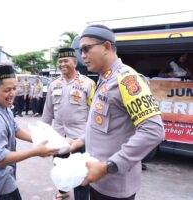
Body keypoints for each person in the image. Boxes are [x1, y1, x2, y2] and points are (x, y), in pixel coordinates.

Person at [67, 25, 165, 200]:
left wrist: (109, 166)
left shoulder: (127, 79)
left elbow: (153, 131)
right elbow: (101, 123)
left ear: (106, 47)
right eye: (80, 50)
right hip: (98, 180)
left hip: (115, 185)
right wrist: (79, 141)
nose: (82, 56)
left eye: (86, 49)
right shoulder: (104, 78)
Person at [0, 64, 58, 200]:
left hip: (0, 176)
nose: (12, 94)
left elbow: (15, 128)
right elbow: (0, 159)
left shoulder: (1, 104)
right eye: (7, 90)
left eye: (14, 88)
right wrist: (36, 152)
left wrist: (38, 140)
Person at [42, 48, 95, 200]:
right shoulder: (54, 84)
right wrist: (44, 135)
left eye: (66, 61)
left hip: (79, 136)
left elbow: (94, 114)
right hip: (58, 135)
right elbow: (48, 112)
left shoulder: (87, 84)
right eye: (60, 61)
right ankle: (63, 191)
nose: (62, 64)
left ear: (75, 62)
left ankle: (81, 198)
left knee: (80, 171)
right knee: (60, 167)